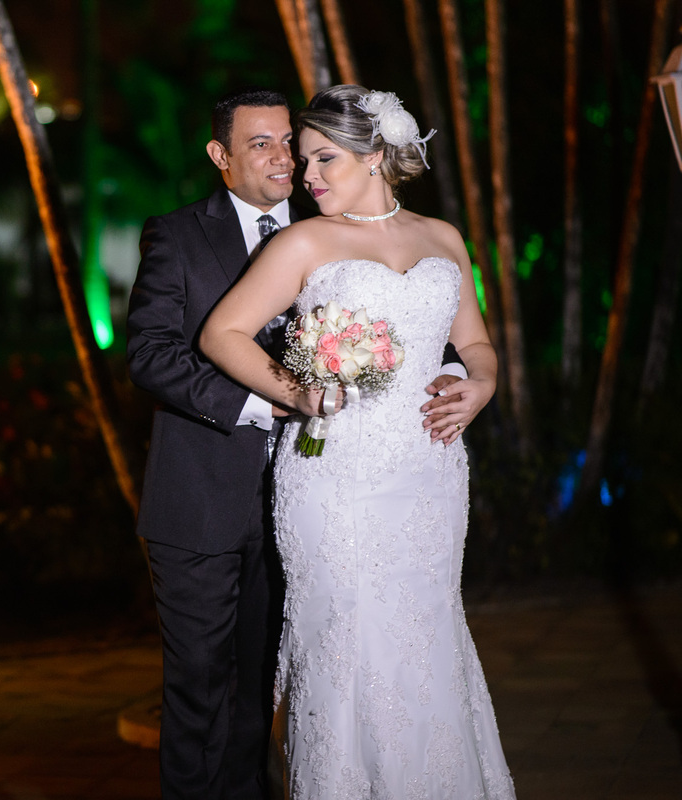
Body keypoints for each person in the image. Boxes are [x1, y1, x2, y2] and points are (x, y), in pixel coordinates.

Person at [126, 88, 465, 799]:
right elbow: (152, 354)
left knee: (271, 681)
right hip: (204, 495)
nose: (286, 159)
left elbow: (411, 332)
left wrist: (461, 375)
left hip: (318, 495)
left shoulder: (332, 225)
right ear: (219, 155)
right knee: (198, 683)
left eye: (291, 142)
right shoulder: (178, 234)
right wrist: (272, 397)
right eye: (262, 144)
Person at [199, 84, 516, 798]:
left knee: (427, 632)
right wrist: (296, 391)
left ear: (375, 156)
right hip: (336, 478)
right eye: (303, 159)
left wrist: (483, 383)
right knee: (349, 638)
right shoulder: (304, 241)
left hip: (430, 473)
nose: (305, 175)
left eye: (323, 158)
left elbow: (475, 342)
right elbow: (222, 333)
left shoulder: (443, 238)